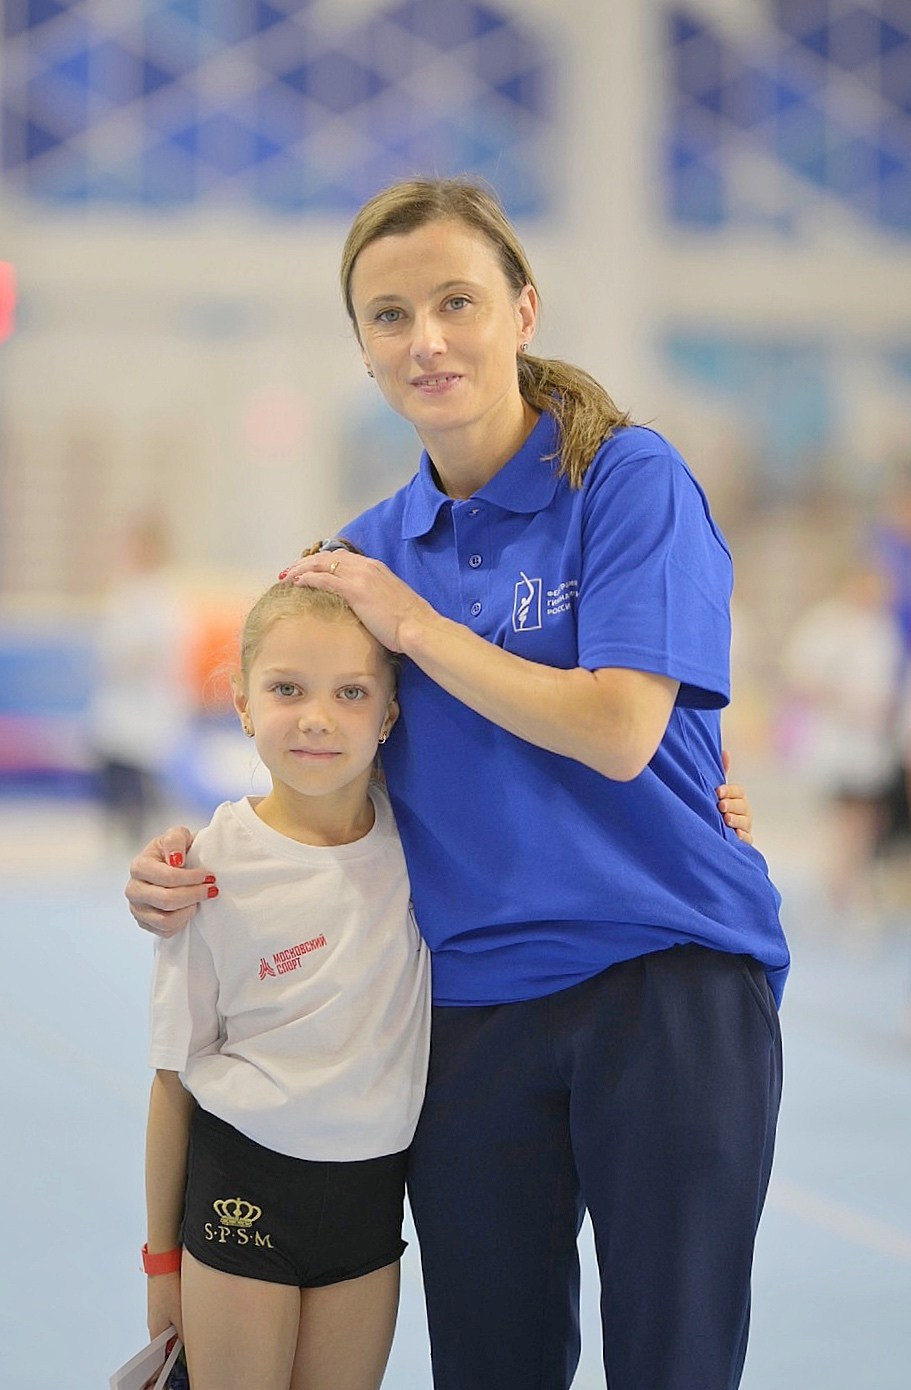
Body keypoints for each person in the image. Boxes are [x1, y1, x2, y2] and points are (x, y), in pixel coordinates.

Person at [127, 177, 787, 1390]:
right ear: (364, 352)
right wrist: (188, 866)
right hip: (471, 1012)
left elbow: (621, 731)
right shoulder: (362, 554)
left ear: (521, 310)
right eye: (389, 316)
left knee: (673, 1361)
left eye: (454, 301)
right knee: (489, 1366)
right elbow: (314, 766)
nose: (426, 338)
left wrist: (418, 627)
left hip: (667, 980)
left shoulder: (625, 479)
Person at [143, 581, 429, 1390]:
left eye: (350, 693)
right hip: (245, 1182)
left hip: (369, 1203)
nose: (315, 717)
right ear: (239, 702)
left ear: (389, 715)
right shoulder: (206, 866)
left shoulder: (421, 847)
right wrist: (160, 1259)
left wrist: (714, 813)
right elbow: (172, 1076)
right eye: (285, 689)